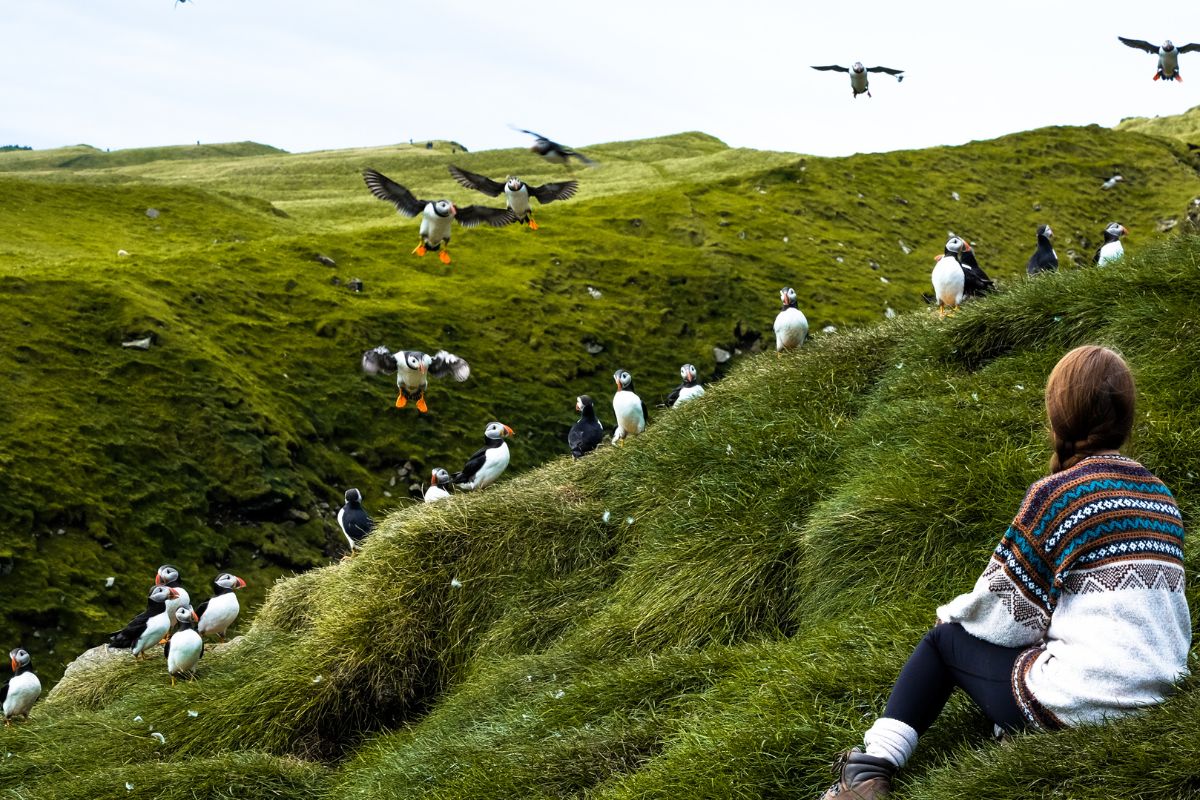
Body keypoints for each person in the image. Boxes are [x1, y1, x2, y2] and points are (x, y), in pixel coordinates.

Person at [820, 345, 1190, 799]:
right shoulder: (1162, 499)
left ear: (1058, 416)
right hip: (1158, 691)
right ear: (1125, 418)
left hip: (1091, 697)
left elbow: (1002, 612)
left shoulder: (1058, 494)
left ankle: (867, 769)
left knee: (944, 644)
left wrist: (952, 619)